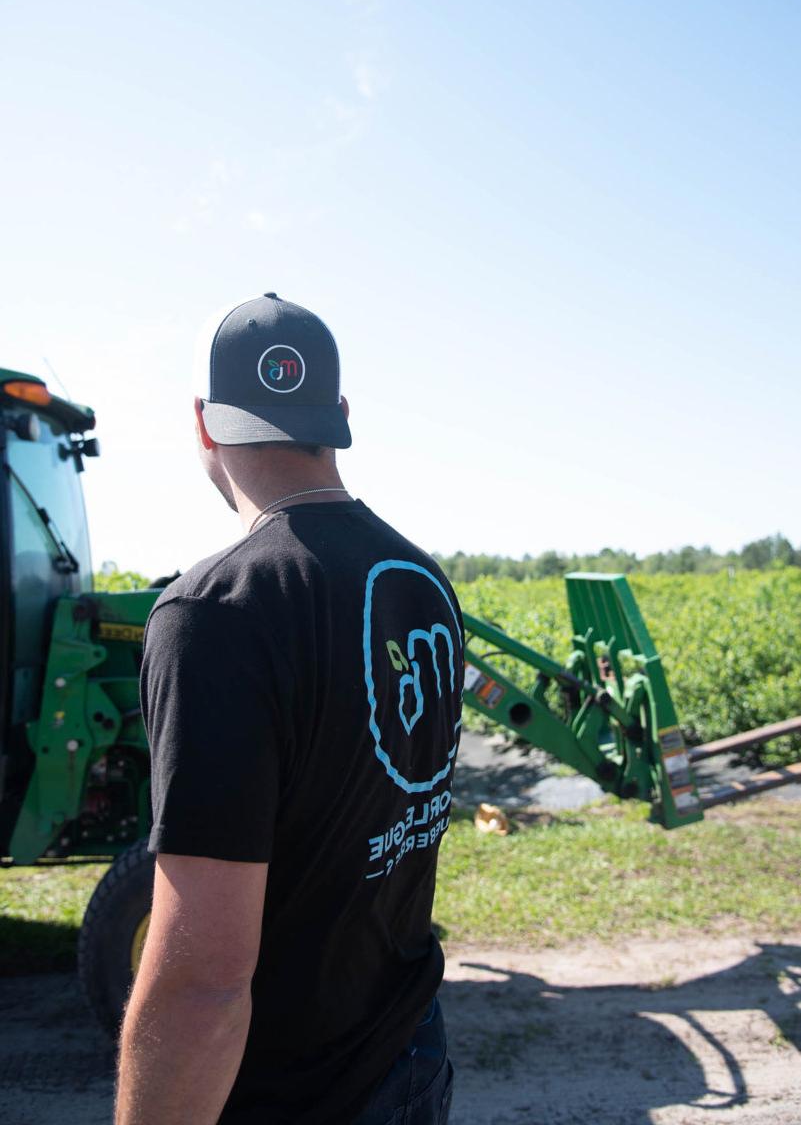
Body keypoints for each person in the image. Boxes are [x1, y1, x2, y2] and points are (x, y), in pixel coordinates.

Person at [116, 293, 463, 1125]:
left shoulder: (215, 612)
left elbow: (204, 981)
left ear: (204, 423)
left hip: (297, 1093)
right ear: (339, 416)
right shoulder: (424, 582)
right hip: (410, 1048)